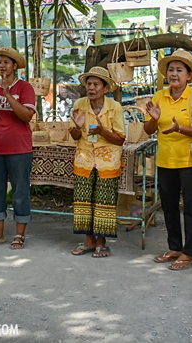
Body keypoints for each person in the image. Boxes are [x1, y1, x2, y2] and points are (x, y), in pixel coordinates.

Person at [144, 49, 192, 270]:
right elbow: (148, 129)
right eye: (171, 70)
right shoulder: (158, 97)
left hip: (191, 161)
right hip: (166, 160)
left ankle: (189, 253)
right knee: (169, 206)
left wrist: (179, 128)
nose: (174, 74)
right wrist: (154, 120)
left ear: (189, 75)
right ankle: (175, 247)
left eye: (179, 70)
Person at [0, 47, 36, 249]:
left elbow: (27, 116)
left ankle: (19, 235)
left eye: (6, 62)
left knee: (20, 191)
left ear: (15, 66)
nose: (1, 66)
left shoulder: (25, 88)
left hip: (20, 148)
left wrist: (9, 95)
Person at [68, 67, 125, 258]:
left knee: (104, 201)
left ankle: (102, 242)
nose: (91, 88)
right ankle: (88, 241)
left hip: (108, 160)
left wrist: (102, 132)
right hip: (84, 158)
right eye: (89, 84)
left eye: (96, 85)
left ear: (106, 88)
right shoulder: (79, 104)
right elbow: (75, 136)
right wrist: (77, 126)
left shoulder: (114, 107)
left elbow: (120, 139)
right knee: (83, 200)